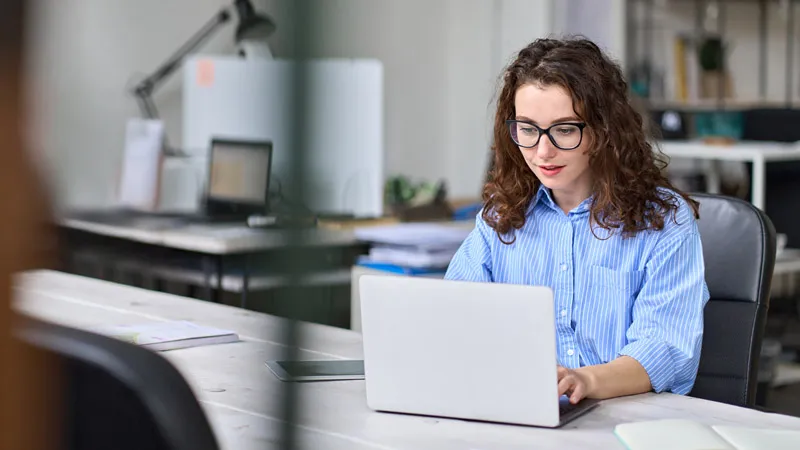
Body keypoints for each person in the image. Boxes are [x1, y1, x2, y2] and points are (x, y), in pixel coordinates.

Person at [444, 37, 710, 404]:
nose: (542, 151)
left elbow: (665, 351)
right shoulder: (500, 216)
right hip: (522, 414)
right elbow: (453, 320)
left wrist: (583, 380)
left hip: (626, 419)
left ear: (603, 130)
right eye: (527, 128)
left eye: (565, 130)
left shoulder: (664, 221)